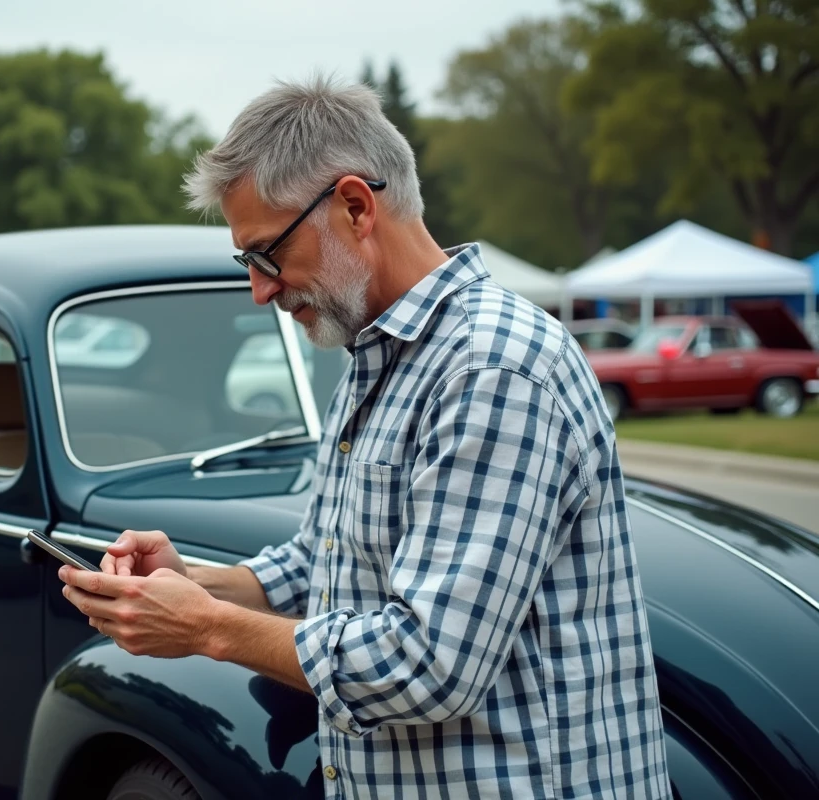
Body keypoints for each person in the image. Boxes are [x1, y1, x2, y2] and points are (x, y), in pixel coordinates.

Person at [58, 75, 670, 798]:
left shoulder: (494, 365)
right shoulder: (375, 354)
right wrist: (192, 579)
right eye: (246, 263)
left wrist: (207, 629)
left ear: (355, 206)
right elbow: (329, 563)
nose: (259, 289)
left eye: (266, 254)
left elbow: (428, 665)